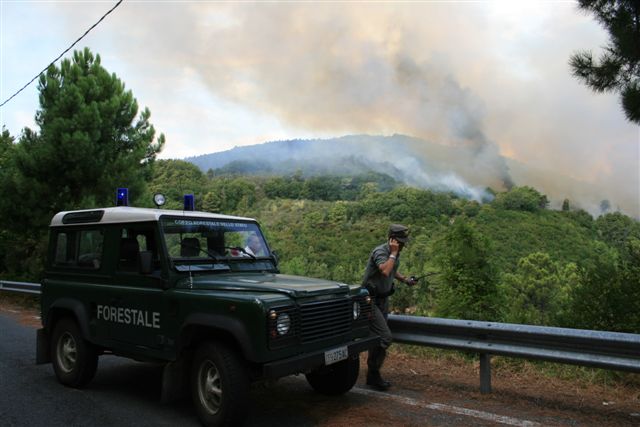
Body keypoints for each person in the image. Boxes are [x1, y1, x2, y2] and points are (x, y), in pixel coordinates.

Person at [362, 224, 417, 391]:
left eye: (404, 242)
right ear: (392, 239)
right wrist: (393, 253)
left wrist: (405, 280)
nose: (403, 245)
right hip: (370, 301)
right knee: (385, 337)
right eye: (400, 242)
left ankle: (372, 375)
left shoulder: (395, 254)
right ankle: (373, 373)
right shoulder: (381, 251)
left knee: (377, 338)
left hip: (383, 300)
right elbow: (385, 271)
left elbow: (393, 271)